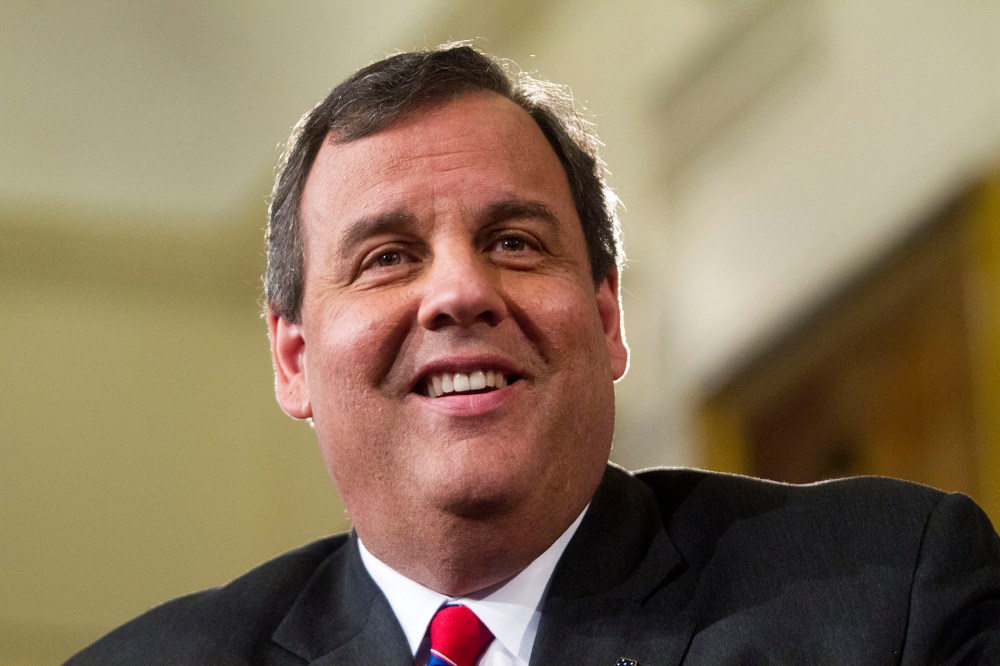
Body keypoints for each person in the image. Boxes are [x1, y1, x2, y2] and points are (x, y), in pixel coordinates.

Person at [68, 44, 1000, 665]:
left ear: (605, 318)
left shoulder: (889, 597)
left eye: (515, 241)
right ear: (293, 359)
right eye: (388, 258)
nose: (462, 292)